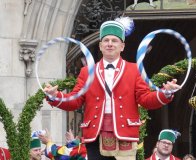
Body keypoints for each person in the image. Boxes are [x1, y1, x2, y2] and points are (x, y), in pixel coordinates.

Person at [43, 17, 181, 160]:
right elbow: (75, 101)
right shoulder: (87, 71)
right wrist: (55, 96)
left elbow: (145, 99)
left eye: (114, 41)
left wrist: (165, 93)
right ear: (101, 45)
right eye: (106, 40)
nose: (110, 44)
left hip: (125, 134)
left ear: (122, 46)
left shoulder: (134, 70)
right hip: (95, 135)